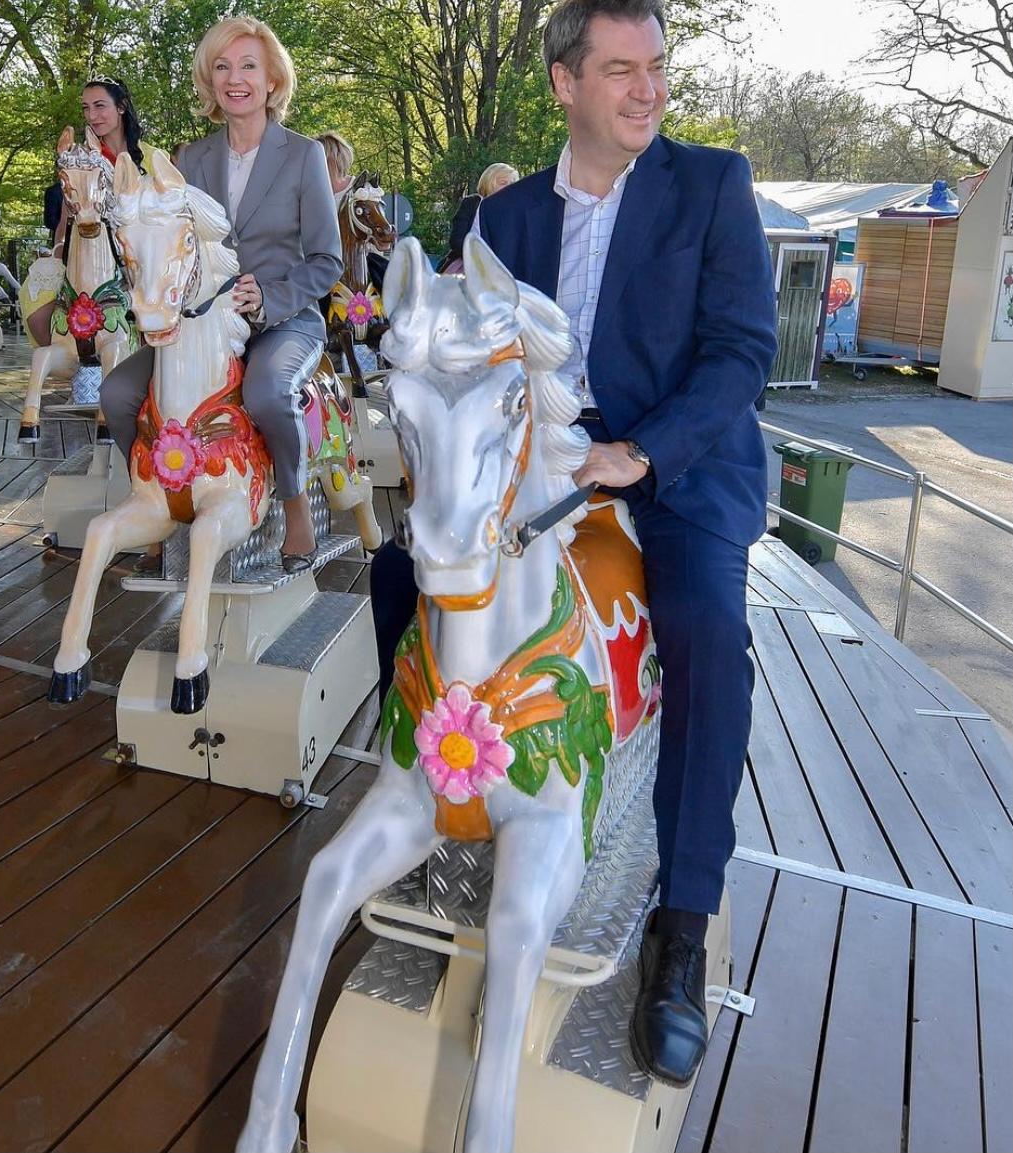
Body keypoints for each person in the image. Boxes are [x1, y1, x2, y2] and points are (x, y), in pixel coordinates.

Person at [370, 0, 777, 1089]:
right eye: (618, 70)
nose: (646, 89)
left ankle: (681, 920)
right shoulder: (502, 226)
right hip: (543, 463)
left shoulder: (712, 184)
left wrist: (643, 453)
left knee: (702, 629)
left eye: (655, 68)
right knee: (396, 569)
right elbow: (466, 364)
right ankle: (430, 793)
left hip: (676, 456)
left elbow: (742, 352)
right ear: (564, 83)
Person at [100, 16, 342, 573]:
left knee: (266, 395)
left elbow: (327, 261)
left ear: (272, 80)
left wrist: (272, 297)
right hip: (201, 326)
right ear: (209, 82)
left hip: (282, 319)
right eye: (223, 67)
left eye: (249, 66)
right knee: (116, 396)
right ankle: (161, 494)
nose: (236, 78)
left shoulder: (303, 155)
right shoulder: (190, 161)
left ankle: (294, 500)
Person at [28, 78, 166, 348]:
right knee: (38, 314)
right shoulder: (84, 158)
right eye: (86, 108)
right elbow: (68, 214)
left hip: (142, 257)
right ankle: (78, 370)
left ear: (121, 107)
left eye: (100, 106)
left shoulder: (152, 159)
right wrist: (58, 252)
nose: (92, 116)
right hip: (93, 258)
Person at [438, 161, 520, 273]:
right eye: (503, 182)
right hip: (467, 267)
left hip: (501, 272)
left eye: (512, 184)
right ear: (489, 182)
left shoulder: (515, 212)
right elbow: (456, 241)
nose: (509, 187)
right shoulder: (472, 203)